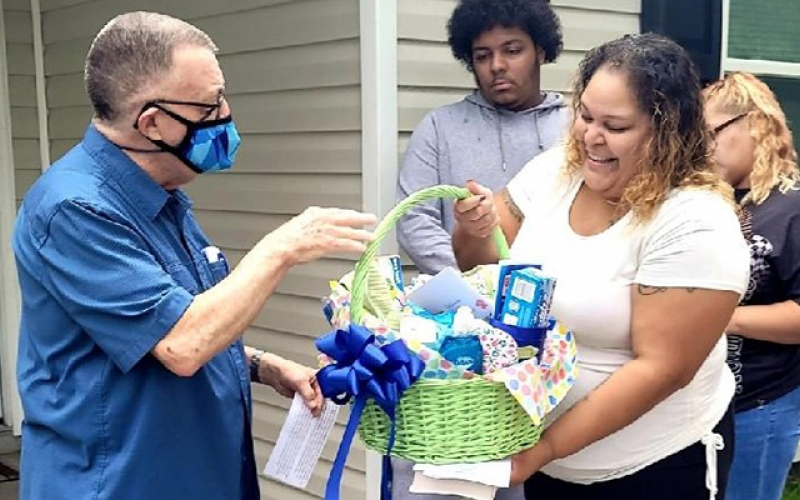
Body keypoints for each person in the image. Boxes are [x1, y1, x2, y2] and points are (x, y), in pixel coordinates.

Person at [11, 12, 375, 500]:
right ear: (153, 123)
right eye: (209, 105)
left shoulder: (161, 193)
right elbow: (181, 345)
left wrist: (263, 366)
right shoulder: (75, 210)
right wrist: (281, 248)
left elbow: (155, 324)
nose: (225, 113)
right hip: (120, 483)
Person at [452, 34, 750, 500]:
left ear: (666, 130)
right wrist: (472, 228)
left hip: (652, 468)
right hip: (552, 463)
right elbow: (479, 262)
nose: (590, 136)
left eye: (615, 125)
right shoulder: (555, 172)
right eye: (585, 116)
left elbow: (662, 368)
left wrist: (545, 448)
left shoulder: (695, 220)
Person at [396, 0, 569, 275]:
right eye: (482, 56)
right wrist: (474, 284)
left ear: (540, 51)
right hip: (463, 305)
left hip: (558, 301)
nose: (497, 65)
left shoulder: (575, 128)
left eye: (512, 51)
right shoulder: (439, 128)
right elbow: (415, 220)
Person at [704, 72, 800, 500]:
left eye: (712, 133)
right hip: (705, 404)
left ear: (755, 124)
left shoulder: (792, 206)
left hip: (761, 405)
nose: (703, 147)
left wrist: (719, 317)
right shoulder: (714, 201)